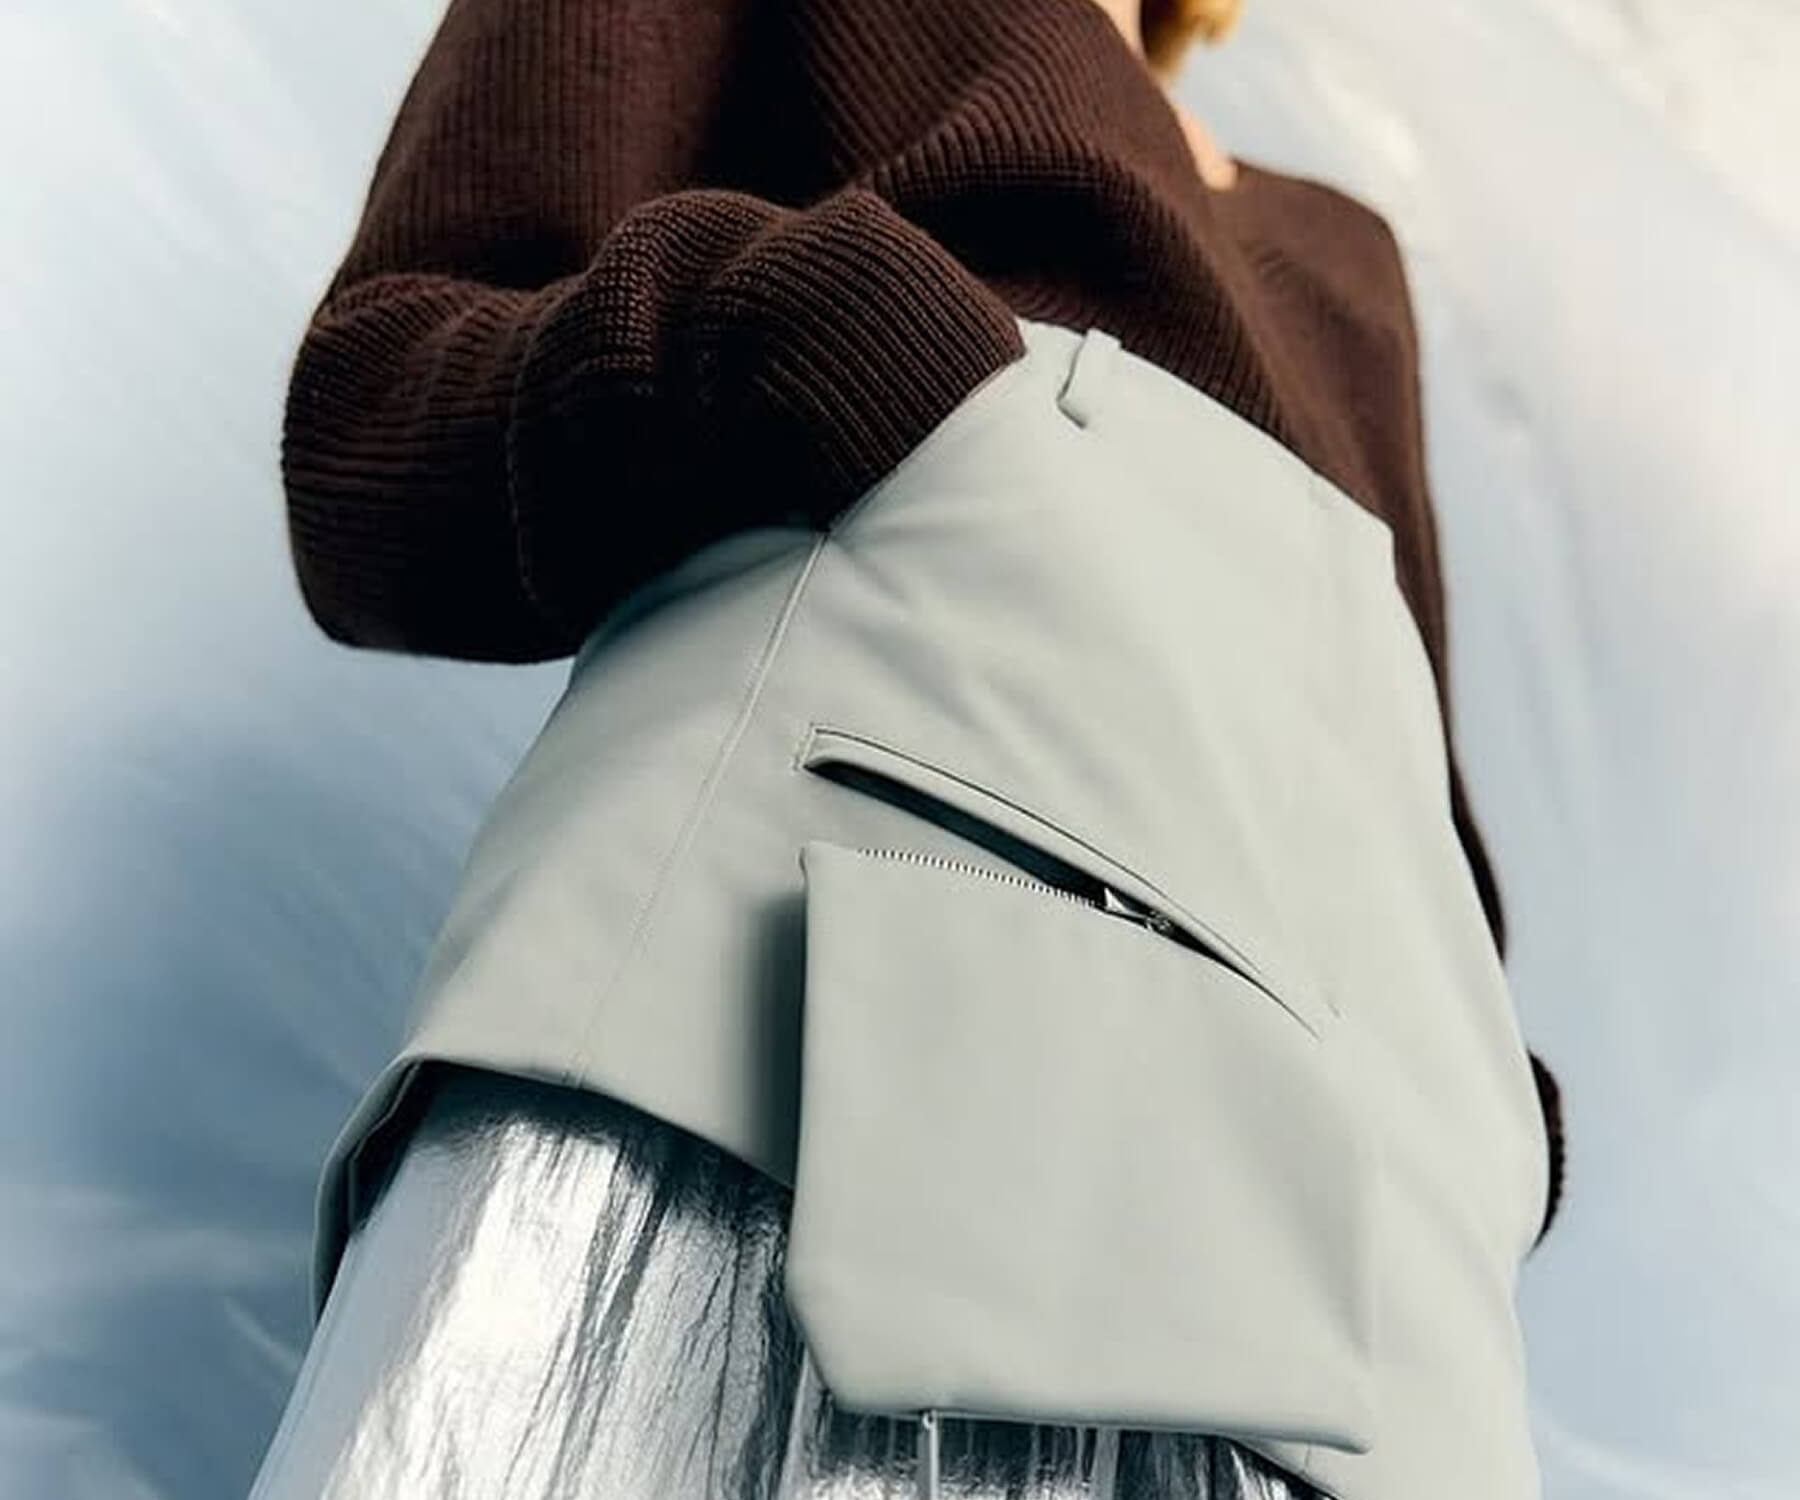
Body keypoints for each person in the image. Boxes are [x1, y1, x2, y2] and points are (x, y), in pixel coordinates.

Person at [268, 1, 1565, 1494]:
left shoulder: (1356, 250)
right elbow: (370, 422)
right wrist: (816, 325)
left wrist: (1489, 1090)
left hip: (1356, 1156)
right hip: (883, 886)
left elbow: (1410, 725)